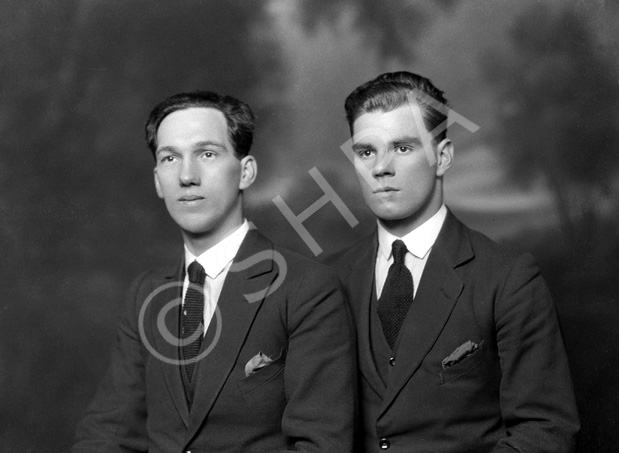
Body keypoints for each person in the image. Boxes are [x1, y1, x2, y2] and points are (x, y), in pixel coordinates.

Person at [73, 91, 356, 452]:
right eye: (170, 158)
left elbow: (321, 444)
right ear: (158, 180)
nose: (187, 176)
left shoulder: (306, 288)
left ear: (246, 171)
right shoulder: (146, 292)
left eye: (207, 154)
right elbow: (108, 433)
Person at [328, 71, 579, 452]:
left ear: (442, 157)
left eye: (403, 148)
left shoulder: (508, 278)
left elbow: (545, 429)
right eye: (366, 152)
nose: (381, 168)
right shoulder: (326, 279)